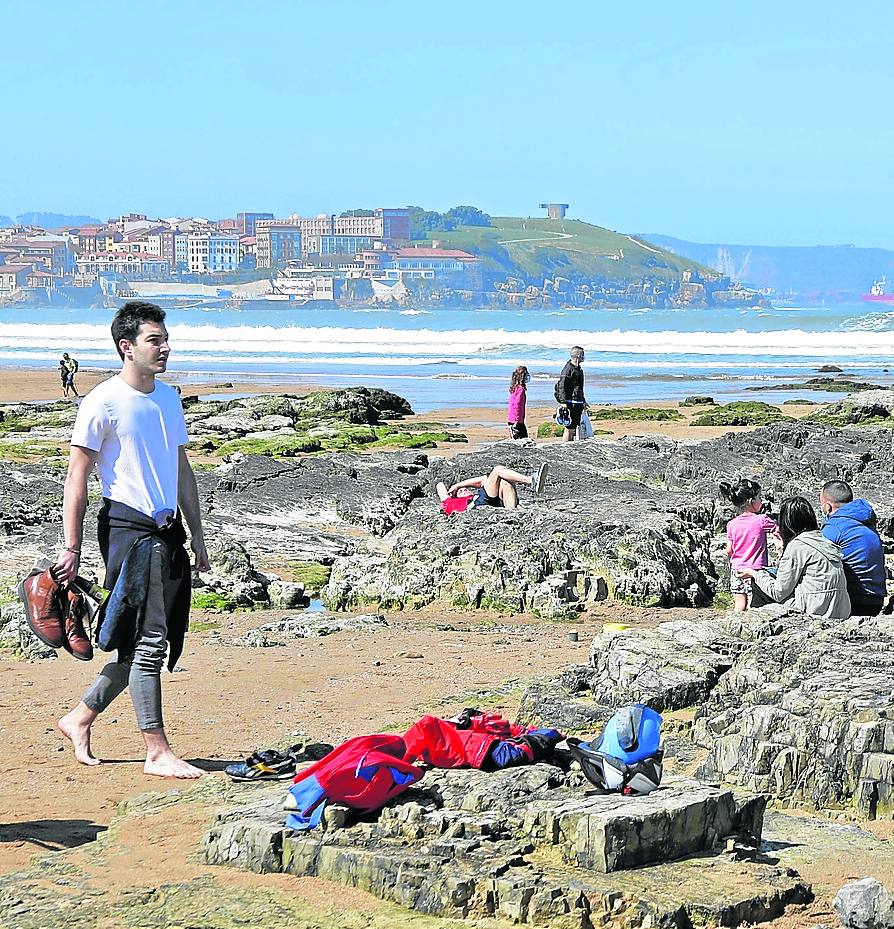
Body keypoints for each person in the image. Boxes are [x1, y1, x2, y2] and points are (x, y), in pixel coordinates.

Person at [54, 301, 211, 778]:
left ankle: (79, 718)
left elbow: (181, 469)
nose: (165, 348)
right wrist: (72, 547)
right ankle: (156, 750)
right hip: (129, 529)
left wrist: (197, 534)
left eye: (165, 339)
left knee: (138, 641)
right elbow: (76, 477)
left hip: (168, 532)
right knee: (149, 641)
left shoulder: (168, 398)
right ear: (127, 346)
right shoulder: (102, 400)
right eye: (154, 340)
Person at [738, 496, 850, 620]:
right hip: (839, 610)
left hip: (814, 611)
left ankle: (756, 622)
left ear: (786, 522)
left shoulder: (797, 545)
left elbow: (778, 592)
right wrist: (781, 550)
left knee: (760, 582)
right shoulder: (822, 540)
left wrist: (754, 574)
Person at [819, 480, 887, 615]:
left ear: (828, 507)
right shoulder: (866, 521)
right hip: (877, 599)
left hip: (853, 599)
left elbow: (815, 556)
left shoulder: (835, 527)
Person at [720, 478, 779, 612]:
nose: (761, 501)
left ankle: (735, 622)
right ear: (750, 501)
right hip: (755, 570)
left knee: (739, 602)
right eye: (759, 498)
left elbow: (729, 550)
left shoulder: (732, 524)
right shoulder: (762, 520)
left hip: (737, 569)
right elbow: (778, 530)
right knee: (754, 602)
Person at [437, 463, 549, 515]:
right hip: (476, 507)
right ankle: (531, 481)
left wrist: (458, 485)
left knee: (506, 481)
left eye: (465, 488)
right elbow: (439, 485)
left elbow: (483, 480)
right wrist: (453, 490)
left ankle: (512, 513)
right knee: (497, 469)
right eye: (460, 492)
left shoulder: (476, 495)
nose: (464, 489)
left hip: (486, 501)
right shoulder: (449, 502)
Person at [556, 346, 586, 442]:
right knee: (569, 427)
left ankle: (571, 444)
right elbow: (562, 386)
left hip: (578, 401)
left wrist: (583, 400)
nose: (584, 357)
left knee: (574, 427)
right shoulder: (568, 369)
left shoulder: (578, 368)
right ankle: (565, 446)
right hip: (570, 402)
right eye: (583, 354)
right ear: (578, 356)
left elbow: (579, 387)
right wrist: (563, 402)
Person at [507, 366, 529, 440]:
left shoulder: (514, 388)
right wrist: (516, 421)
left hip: (512, 419)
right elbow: (517, 404)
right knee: (524, 440)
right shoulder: (520, 390)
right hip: (517, 421)